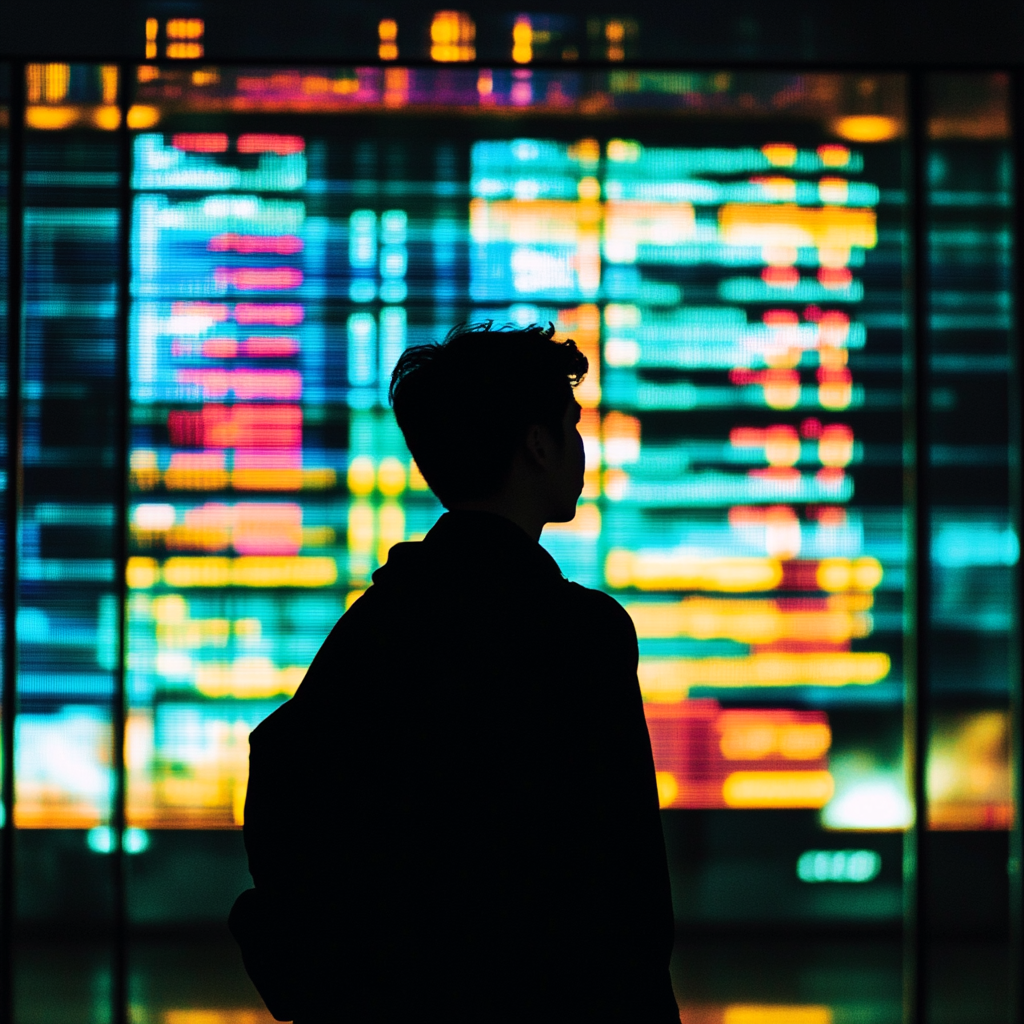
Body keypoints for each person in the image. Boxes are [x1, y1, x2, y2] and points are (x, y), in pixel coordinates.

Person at [230, 322, 679, 1023]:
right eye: (572, 425)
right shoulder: (578, 632)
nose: (582, 448)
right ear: (537, 444)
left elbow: (287, 781)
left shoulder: (374, 627)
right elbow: (621, 879)